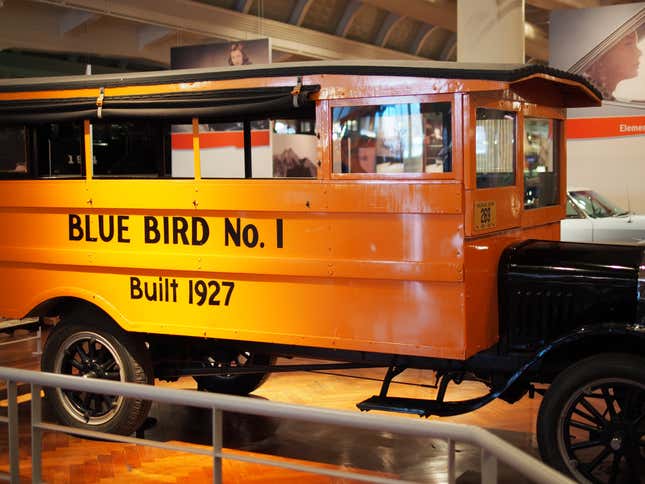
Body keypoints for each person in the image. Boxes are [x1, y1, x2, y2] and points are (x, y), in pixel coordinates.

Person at [583, 29, 642, 100]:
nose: (639, 52)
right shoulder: (585, 96)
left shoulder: (597, 96)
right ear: (601, 53)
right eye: (628, 44)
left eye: (635, 44)